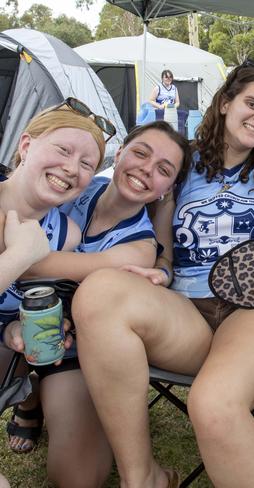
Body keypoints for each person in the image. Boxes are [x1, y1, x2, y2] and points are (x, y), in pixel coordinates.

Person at [72, 61, 254, 488]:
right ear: (225, 102)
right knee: (99, 291)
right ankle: (142, 477)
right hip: (188, 312)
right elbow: (163, 245)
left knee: (213, 403)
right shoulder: (183, 162)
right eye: (252, 103)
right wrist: (161, 271)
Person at [3, 120, 191, 487]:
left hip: (72, 347)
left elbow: (34, 265)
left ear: (166, 189)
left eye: (164, 170)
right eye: (140, 153)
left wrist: (13, 248)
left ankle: (40, 389)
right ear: (119, 154)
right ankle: (29, 400)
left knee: (77, 478)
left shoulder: (140, 245)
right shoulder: (75, 182)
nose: (146, 170)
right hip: (12, 319)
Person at [0, 103, 105, 478]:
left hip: (32, 349)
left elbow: (53, 294)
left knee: (80, 476)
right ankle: (28, 396)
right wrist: (21, 255)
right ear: (26, 145)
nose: (72, 168)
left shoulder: (68, 233)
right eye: (63, 150)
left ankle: (34, 395)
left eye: (87, 164)